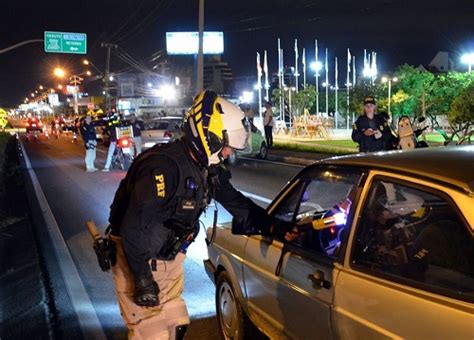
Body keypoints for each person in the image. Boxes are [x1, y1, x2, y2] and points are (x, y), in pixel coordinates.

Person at [105, 90, 274, 340]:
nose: (228, 153)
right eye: (226, 145)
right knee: (151, 333)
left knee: (176, 323)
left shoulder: (205, 167)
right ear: (209, 136)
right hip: (138, 257)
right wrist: (141, 279)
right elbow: (133, 228)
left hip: (170, 256)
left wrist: (277, 227)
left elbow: (238, 204)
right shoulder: (163, 168)